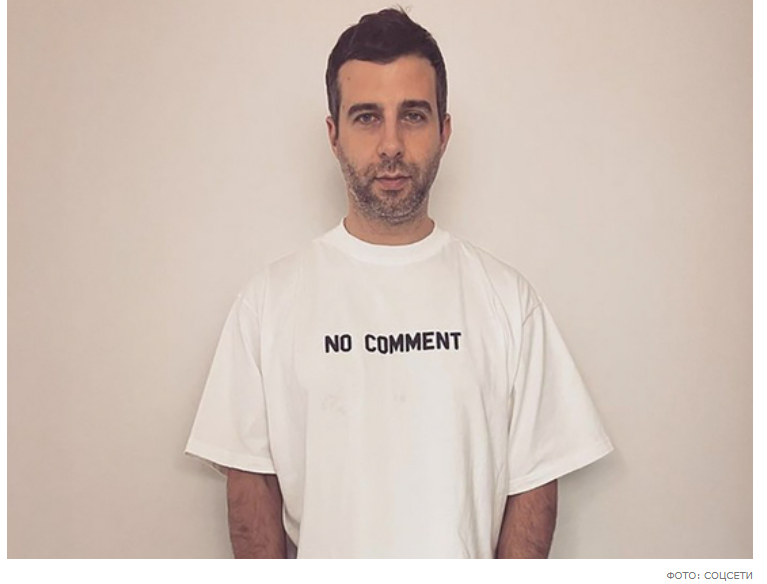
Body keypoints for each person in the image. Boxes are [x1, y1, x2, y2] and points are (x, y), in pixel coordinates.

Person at [185, 7, 613, 559]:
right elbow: (250, 490)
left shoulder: (508, 301)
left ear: (444, 131)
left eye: (412, 115)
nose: (391, 144)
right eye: (367, 117)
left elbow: (535, 482)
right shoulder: (267, 303)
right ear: (334, 135)